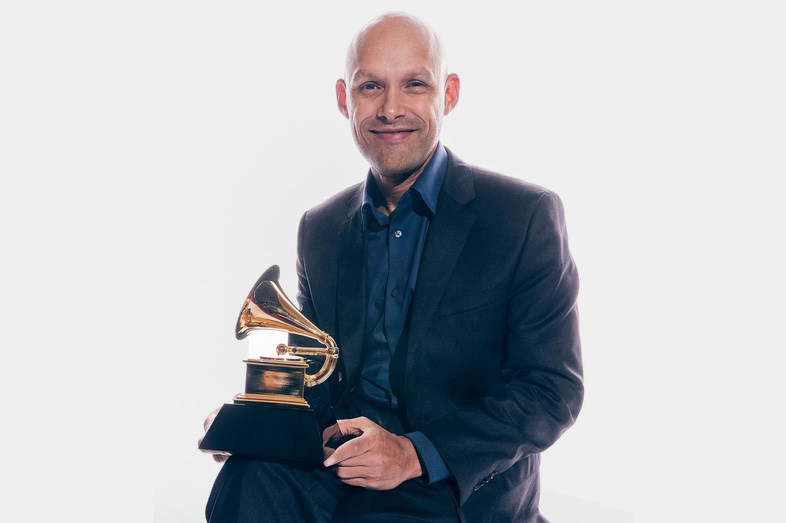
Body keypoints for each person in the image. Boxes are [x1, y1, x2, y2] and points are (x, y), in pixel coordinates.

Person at [203, 12, 583, 523]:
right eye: (370, 87)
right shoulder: (318, 227)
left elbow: (551, 389)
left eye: (414, 84)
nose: (390, 108)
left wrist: (413, 454)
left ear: (447, 94)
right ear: (345, 99)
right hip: (341, 463)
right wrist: (258, 423)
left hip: (451, 482)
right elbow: (322, 377)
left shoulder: (524, 216)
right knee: (244, 481)